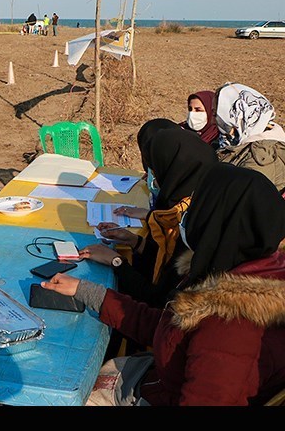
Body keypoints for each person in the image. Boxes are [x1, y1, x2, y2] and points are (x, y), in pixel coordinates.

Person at [43, 162, 285, 406]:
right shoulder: (241, 271)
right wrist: (88, 291)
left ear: (217, 222)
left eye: (198, 207)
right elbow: (167, 328)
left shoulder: (228, 328)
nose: (186, 216)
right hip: (158, 376)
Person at [90, 128, 219, 306]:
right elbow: (167, 262)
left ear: (175, 173)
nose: (151, 178)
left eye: (157, 171)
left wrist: (116, 261)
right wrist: (134, 241)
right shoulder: (191, 209)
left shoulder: (190, 226)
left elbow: (156, 299)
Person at [214, 82, 285, 194]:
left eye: (216, 115)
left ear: (236, 114)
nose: (215, 121)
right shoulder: (239, 144)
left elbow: (242, 200)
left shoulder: (261, 158)